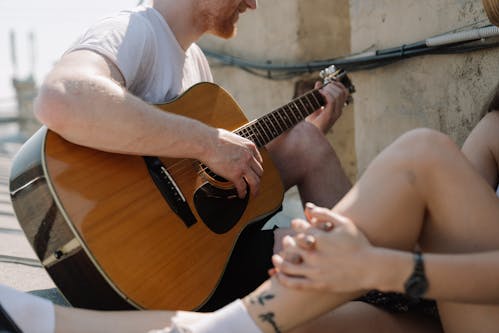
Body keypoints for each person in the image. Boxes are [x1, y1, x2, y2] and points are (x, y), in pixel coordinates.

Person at [2, 92, 499, 333]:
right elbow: (448, 227)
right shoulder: (495, 129)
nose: (253, 3)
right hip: (449, 302)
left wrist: (377, 266)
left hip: (441, 288)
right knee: (295, 327)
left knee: (422, 154)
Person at [33, 0, 351, 310]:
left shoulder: (195, 61)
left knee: (306, 140)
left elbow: (206, 173)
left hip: (198, 252)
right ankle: (374, 289)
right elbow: (61, 96)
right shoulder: (134, 30)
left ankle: (367, 276)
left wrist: (298, 131)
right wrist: (208, 143)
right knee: (327, 251)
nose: (252, 4)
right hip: (153, 270)